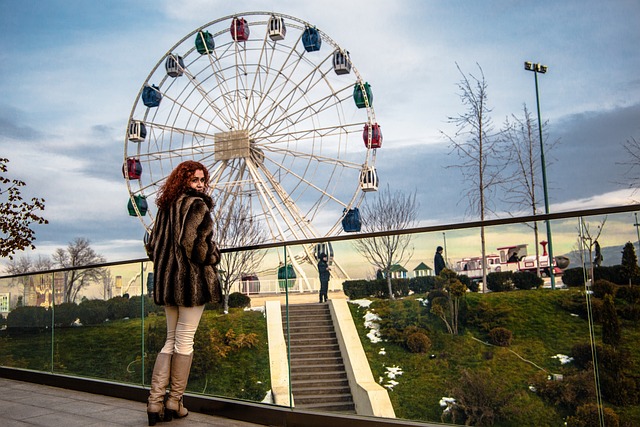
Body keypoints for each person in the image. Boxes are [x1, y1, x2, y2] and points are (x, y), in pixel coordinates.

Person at [144, 160, 221, 426]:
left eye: (202, 180)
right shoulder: (196, 205)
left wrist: (167, 263)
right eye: (195, 180)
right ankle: (174, 402)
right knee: (184, 342)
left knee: (170, 340)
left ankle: (154, 403)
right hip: (190, 284)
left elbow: (152, 245)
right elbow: (192, 243)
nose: (200, 184)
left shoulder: (165, 207)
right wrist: (211, 255)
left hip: (167, 281)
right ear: (184, 180)